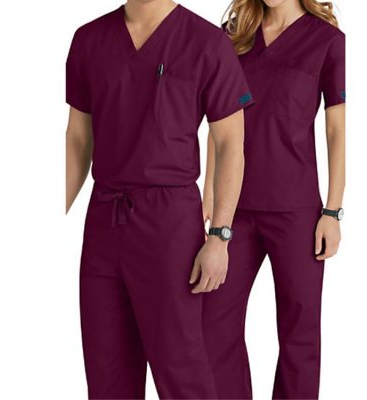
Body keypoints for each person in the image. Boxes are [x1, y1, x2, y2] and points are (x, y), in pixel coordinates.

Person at [65, 0, 254, 398]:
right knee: (105, 370)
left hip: (170, 223)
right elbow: (78, 140)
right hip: (103, 219)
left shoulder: (206, 43)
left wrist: (220, 236)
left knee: (180, 369)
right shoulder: (89, 40)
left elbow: (231, 145)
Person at [202, 0, 345, 399]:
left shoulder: (327, 41)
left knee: (300, 334)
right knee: (212, 325)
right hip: (234, 210)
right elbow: (219, 122)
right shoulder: (234, 36)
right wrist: (209, 191)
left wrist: (333, 210)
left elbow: (336, 130)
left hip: (297, 212)